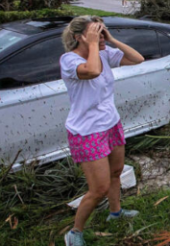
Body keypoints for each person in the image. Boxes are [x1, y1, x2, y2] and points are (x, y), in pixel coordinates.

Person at [60, 16, 144, 246]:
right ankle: (75, 233)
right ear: (79, 38)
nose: (100, 35)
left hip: (110, 123)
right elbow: (93, 71)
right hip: (87, 131)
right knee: (98, 189)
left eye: (101, 31)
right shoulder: (69, 60)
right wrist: (95, 45)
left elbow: (137, 58)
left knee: (116, 172)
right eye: (95, 32)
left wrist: (111, 39)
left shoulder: (104, 53)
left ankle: (115, 212)